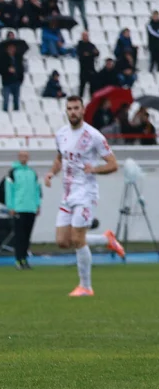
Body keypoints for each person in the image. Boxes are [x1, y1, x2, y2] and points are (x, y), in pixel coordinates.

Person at [44, 96, 127, 296]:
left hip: (85, 193)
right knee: (63, 241)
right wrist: (51, 173)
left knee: (78, 238)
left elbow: (113, 164)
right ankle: (105, 239)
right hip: (68, 193)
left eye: (76, 108)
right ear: (66, 111)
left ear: (83, 111)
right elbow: (59, 158)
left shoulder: (94, 136)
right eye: (69, 108)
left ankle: (86, 286)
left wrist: (95, 169)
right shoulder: (61, 134)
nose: (73, 112)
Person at [3, 151, 41, 270]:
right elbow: (9, 190)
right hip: (18, 208)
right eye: (22, 156)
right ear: (19, 157)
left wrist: (37, 205)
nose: (24, 158)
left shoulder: (32, 172)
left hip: (30, 208)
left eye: (26, 156)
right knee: (19, 236)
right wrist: (11, 207)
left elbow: (37, 190)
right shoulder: (13, 172)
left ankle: (24, 259)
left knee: (27, 236)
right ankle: (18, 260)